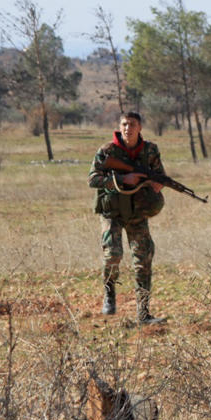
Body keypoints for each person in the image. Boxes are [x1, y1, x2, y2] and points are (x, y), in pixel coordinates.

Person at [89, 111, 167, 324]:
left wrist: (158, 184)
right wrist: (124, 178)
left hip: (137, 212)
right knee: (113, 255)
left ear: (140, 127)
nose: (127, 128)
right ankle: (109, 292)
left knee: (143, 260)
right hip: (112, 212)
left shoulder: (150, 151)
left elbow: (159, 174)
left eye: (132, 124)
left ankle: (144, 314)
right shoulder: (107, 151)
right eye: (124, 124)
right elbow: (93, 178)